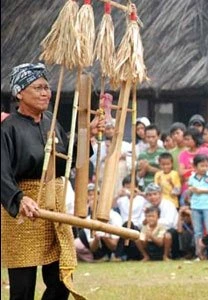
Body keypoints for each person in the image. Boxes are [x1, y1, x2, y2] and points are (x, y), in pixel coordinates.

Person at [1, 63, 103, 299]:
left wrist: (88, 133)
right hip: (23, 211)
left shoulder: (51, 122)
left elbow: (67, 158)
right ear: (19, 92)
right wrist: (19, 198)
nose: (46, 93)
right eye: (38, 88)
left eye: (47, 88)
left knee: (62, 279)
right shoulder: (8, 129)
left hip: (53, 206)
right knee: (23, 289)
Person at [187, 154, 208, 260]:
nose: (204, 168)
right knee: (198, 231)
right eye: (202, 166)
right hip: (195, 206)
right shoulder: (192, 177)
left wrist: (201, 191)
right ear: (195, 166)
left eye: (206, 166)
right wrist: (190, 193)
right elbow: (190, 191)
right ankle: (200, 254)